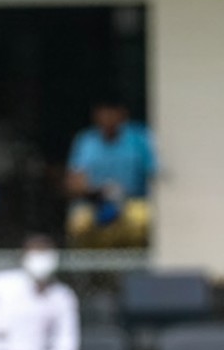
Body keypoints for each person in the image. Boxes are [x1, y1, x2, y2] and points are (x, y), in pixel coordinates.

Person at [64, 97, 157, 248]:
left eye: (111, 113)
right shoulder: (87, 141)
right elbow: (75, 182)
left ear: (122, 114)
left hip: (132, 202)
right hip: (95, 203)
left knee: (143, 218)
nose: (107, 118)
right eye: (103, 113)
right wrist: (100, 193)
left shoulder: (139, 138)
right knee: (79, 221)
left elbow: (154, 175)